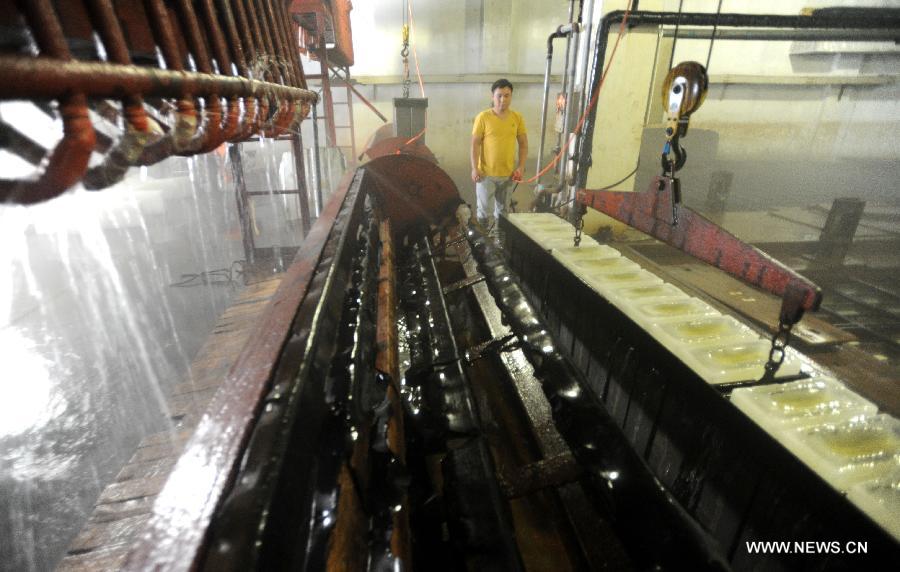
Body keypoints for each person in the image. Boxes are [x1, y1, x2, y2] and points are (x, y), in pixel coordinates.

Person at [470, 78, 528, 223]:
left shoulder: (517, 118)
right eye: (499, 95)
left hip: (508, 176)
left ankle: (500, 243)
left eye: (507, 95)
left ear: (511, 97)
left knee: (503, 214)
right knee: (484, 213)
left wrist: (520, 167)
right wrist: (474, 168)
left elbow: (523, 144)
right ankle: (483, 245)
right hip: (485, 175)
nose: (503, 99)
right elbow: (475, 144)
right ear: (493, 96)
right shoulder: (483, 118)